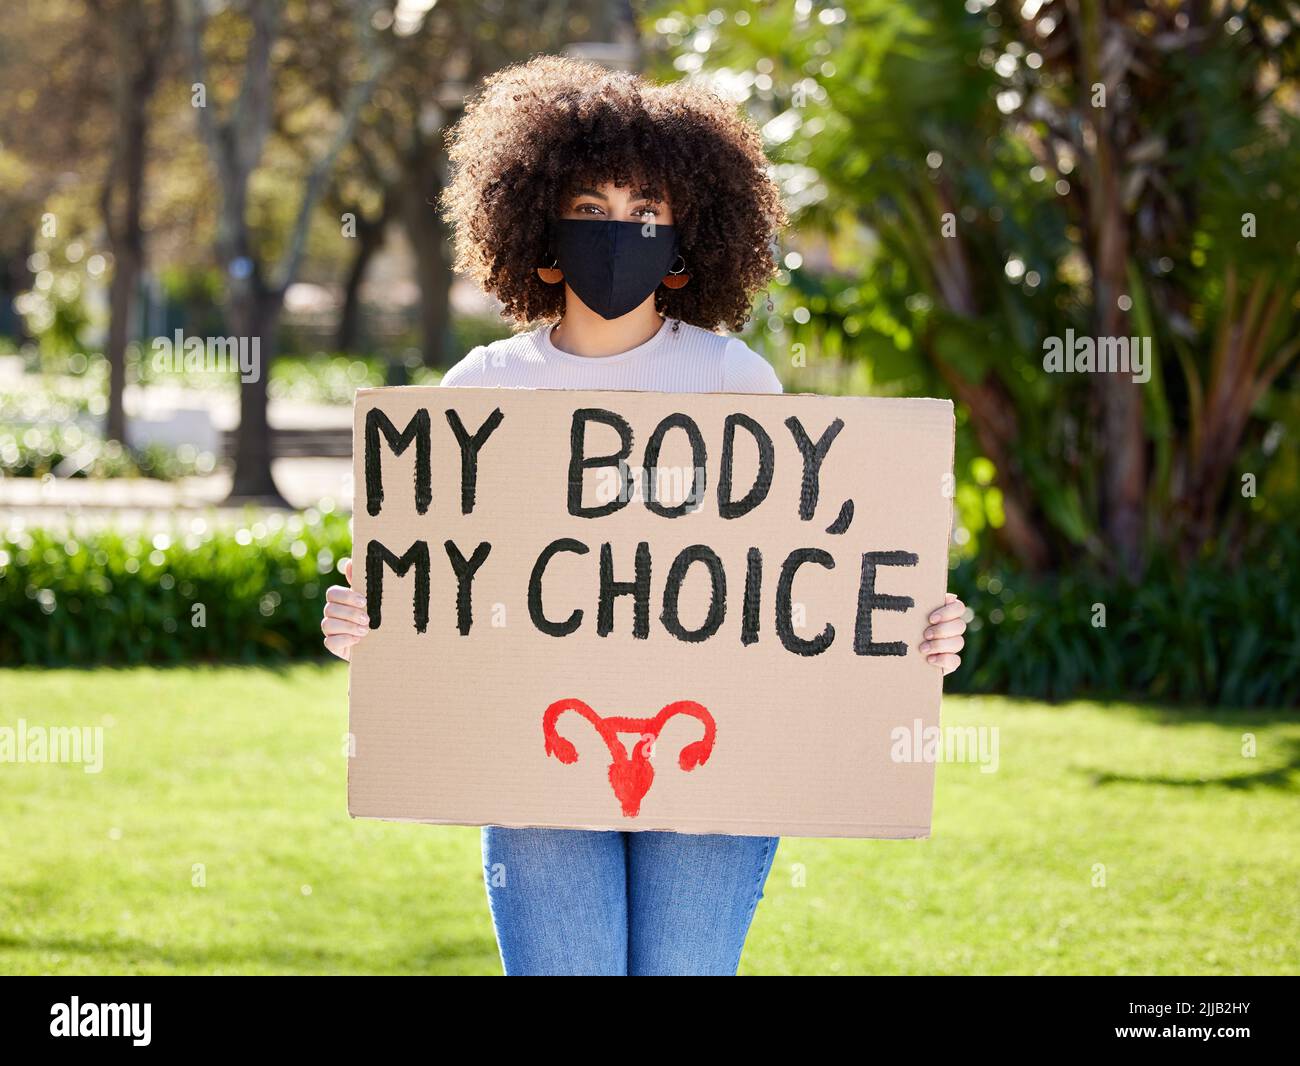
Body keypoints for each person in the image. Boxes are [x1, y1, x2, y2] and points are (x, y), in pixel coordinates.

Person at [321, 55, 968, 975]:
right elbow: (446, 580)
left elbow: (787, 572)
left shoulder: (734, 379)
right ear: (537, 228)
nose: (617, 233)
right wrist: (369, 621)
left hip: (715, 763)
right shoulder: (482, 388)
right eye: (588, 212)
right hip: (537, 772)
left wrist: (916, 629)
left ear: (685, 237)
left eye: (645, 213)